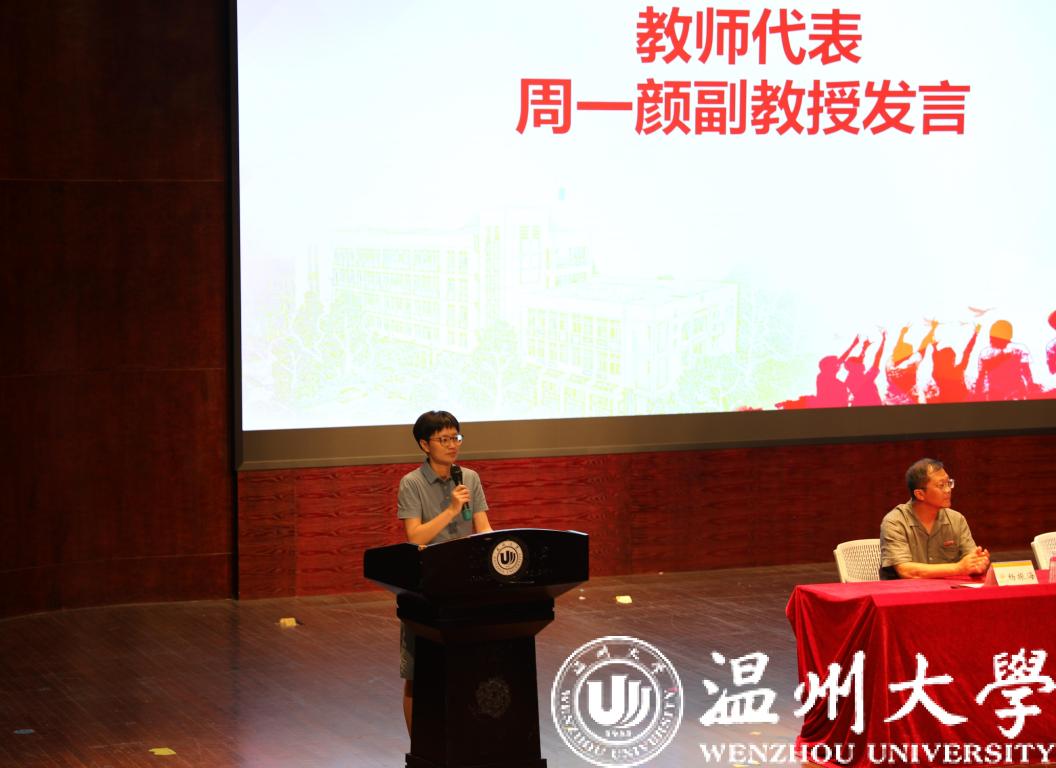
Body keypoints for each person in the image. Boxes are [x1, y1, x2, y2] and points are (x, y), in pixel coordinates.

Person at [396, 410, 493, 735]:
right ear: (425, 445)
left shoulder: (469, 478)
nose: (453, 445)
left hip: (464, 582)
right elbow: (415, 537)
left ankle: (462, 740)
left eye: (456, 438)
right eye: (444, 439)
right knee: (418, 673)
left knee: (466, 666)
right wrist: (451, 509)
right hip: (425, 583)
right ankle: (419, 748)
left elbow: (483, 528)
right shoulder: (412, 483)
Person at [879, 458, 989, 579]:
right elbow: (906, 571)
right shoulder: (895, 522)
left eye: (949, 483)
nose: (948, 490)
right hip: (906, 590)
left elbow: (971, 559)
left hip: (947, 589)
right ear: (920, 494)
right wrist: (958, 568)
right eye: (941, 485)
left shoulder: (956, 519)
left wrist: (978, 563)